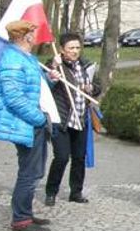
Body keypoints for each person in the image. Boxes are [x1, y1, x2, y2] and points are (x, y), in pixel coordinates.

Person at [0, 20, 54, 231]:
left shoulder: (24, 58)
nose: (36, 36)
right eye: (33, 32)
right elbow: (14, 98)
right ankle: (20, 221)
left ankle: (25, 213)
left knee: (33, 172)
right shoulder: (12, 60)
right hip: (26, 124)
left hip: (30, 123)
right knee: (29, 173)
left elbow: (32, 87)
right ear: (25, 36)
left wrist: (50, 81)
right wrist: (38, 118)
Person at [43, 31, 101, 207]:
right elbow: (47, 84)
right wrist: (54, 69)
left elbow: (98, 86)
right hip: (62, 120)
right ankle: (51, 192)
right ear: (62, 49)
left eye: (77, 47)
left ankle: (76, 191)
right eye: (71, 48)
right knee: (61, 157)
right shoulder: (54, 65)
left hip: (81, 118)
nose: (75, 51)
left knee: (79, 157)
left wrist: (91, 88)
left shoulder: (86, 65)